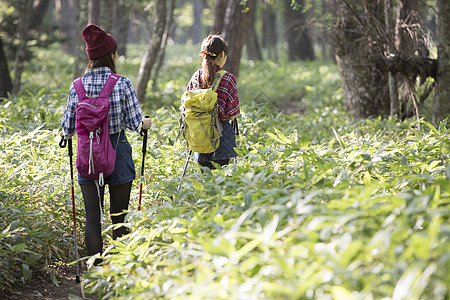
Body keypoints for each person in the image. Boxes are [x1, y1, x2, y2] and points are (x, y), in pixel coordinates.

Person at [61, 24, 152, 264]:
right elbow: (134, 123)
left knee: (93, 216)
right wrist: (145, 124)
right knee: (119, 217)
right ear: (111, 54)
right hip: (118, 153)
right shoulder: (122, 83)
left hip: (87, 156)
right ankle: (119, 271)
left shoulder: (76, 86)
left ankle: (95, 270)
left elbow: (67, 129)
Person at [185, 34, 240, 169]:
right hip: (221, 141)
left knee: (206, 182)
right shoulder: (228, 78)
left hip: (199, 139)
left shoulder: (196, 77)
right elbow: (232, 114)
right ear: (222, 54)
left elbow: (185, 107)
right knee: (221, 183)